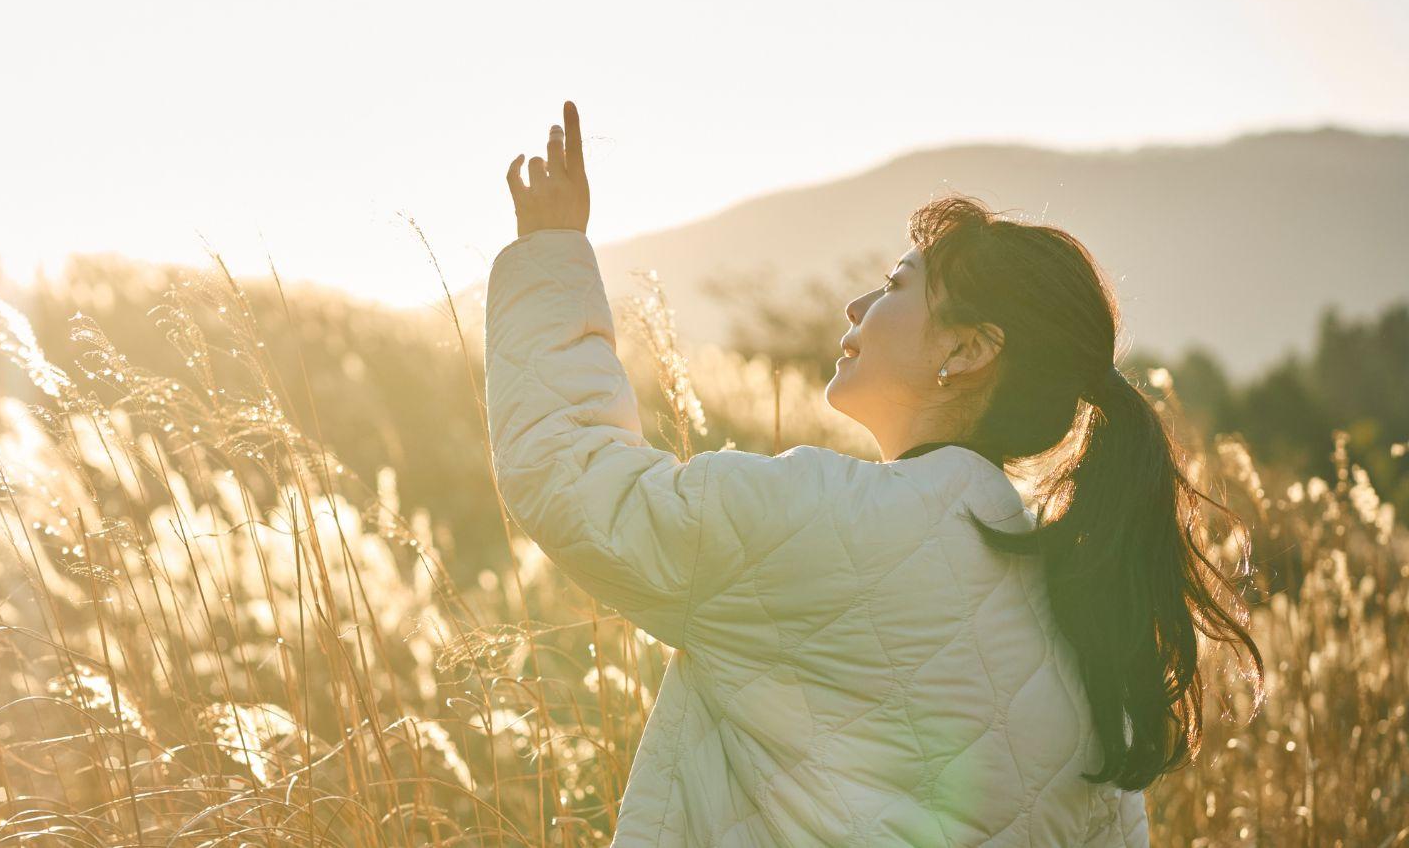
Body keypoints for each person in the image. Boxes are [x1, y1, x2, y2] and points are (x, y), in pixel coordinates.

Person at [486, 101, 1263, 846]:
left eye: (895, 285)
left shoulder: (828, 521)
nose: (856, 305)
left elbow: (574, 476)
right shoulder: (1087, 614)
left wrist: (551, 251)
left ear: (968, 352)